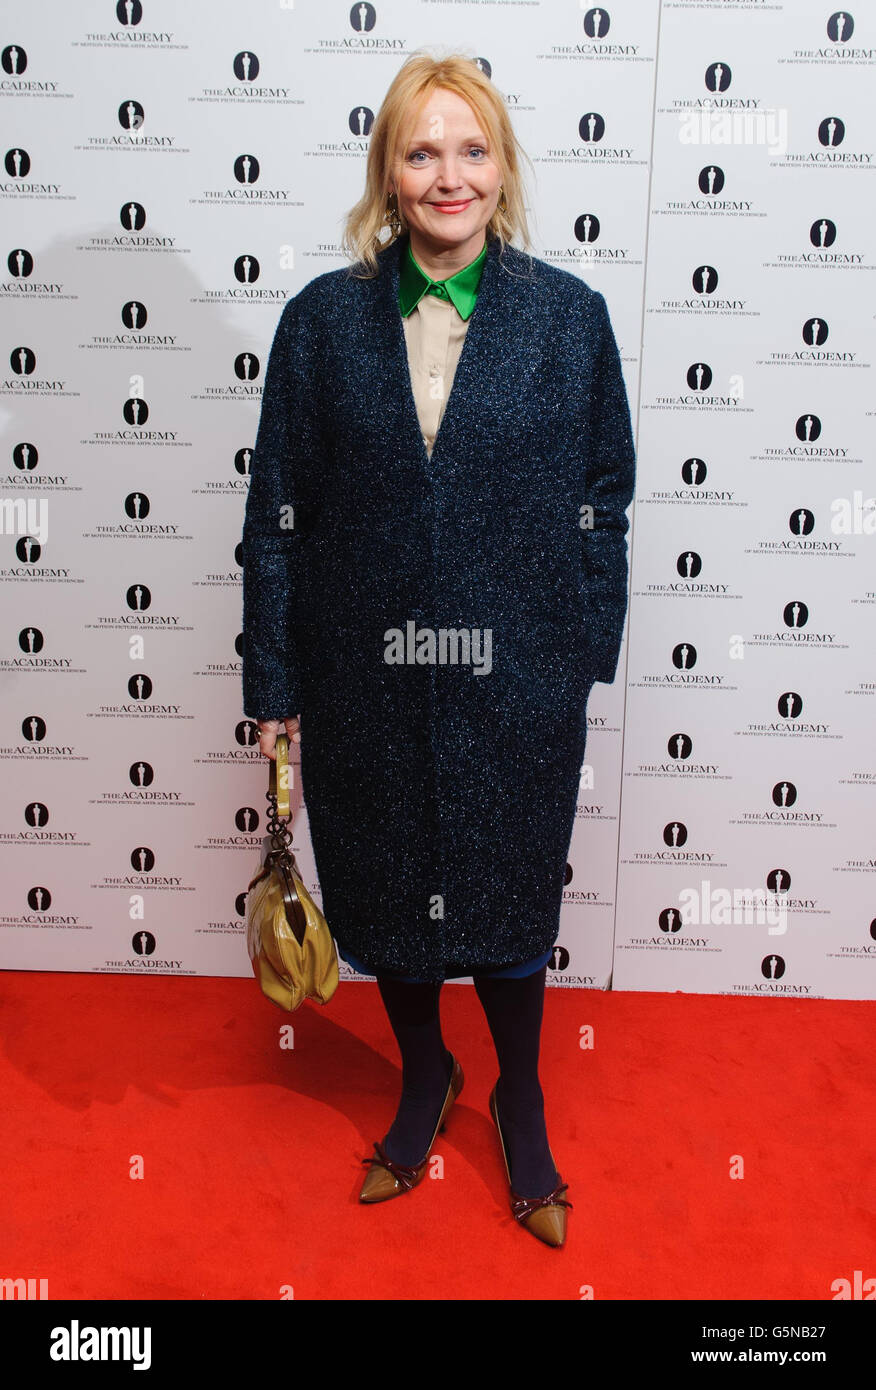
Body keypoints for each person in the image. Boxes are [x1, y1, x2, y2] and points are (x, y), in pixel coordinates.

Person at [241, 50, 636, 1248]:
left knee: (510, 912)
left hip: (517, 682)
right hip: (363, 677)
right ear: (388, 173)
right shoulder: (318, 323)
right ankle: (427, 1079)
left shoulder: (570, 319)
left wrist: (579, 651)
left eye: (470, 150)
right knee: (391, 910)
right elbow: (278, 517)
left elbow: (603, 494)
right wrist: (276, 682)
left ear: (502, 167)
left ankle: (519, 1097)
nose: (447, 174)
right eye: (422, 151)